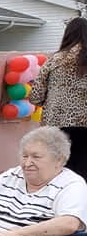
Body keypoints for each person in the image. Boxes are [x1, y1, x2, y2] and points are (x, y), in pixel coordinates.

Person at [30, 17, 87, 180]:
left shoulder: (54, 61)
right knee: (82, 172)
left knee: (58, 171)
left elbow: (36, 96)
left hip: (55, 126)